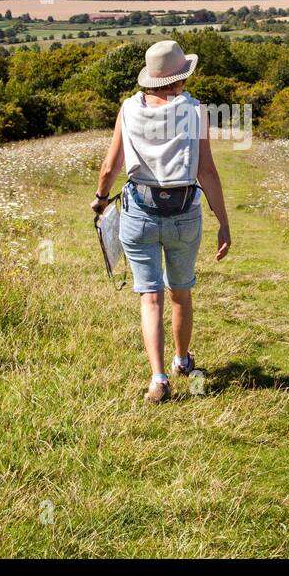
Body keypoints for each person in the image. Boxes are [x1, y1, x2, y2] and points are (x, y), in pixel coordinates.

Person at [91, 40, 231, 403]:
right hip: (184, 212)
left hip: (139, 211)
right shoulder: (196, 111)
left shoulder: (127, 108)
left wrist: (101, 199)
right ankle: (182, 361)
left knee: (149, 298)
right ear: (181, 78)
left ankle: (158, 379)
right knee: (180, 294)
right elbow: (208, 171)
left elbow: (110, 166)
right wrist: (223, 222)